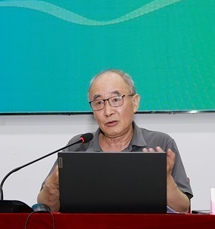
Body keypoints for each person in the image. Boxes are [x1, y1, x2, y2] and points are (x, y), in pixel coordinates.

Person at [37, 69, 193, 213]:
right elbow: (46, 208)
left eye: (116, 99)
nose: (108, 111)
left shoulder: (160, 144)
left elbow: (182, 208)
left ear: (135, 102)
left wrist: (165, 180)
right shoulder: (78, 146)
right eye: (99, 103)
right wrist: (53, 184)